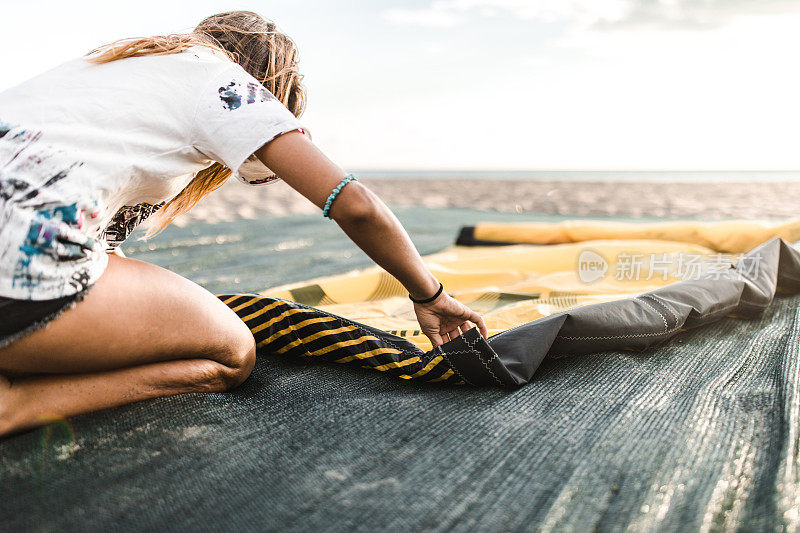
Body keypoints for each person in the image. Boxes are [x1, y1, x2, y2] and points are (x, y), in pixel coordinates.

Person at [0, 11, 488, 437]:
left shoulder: (111, 64)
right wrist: (430, 296)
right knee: (232, 352)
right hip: (18, 280)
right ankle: (16, 405)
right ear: (269, 84)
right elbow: (355, 204)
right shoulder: (224, 84)